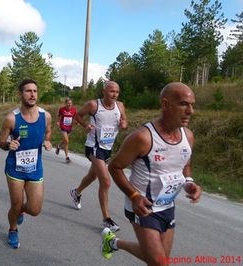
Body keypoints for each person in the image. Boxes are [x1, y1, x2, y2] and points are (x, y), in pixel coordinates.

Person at [102, 82, 202, 264]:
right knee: (160, 262)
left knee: (160, 259)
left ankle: (114, 243)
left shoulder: (188, 136)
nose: (190, 111)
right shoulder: (143, 137)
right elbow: (114, 167)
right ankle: (114, 243)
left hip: (167, 206)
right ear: (165, 104)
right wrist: (134, 196)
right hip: (143, 206)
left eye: (192, 105)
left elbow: (185, 164)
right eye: (183, 104)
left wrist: (189, 182)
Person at [0, 79, 52, 249]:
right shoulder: (11, 119)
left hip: (35, 168)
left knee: (34, 209)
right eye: (28, 91)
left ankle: (20, 211)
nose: (32, 94)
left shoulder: (46, 116)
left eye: (35, 91)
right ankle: (13, 229)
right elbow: (0, 141)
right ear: (20, 94)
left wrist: (48, 141)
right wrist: (8, 145)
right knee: (15, 204)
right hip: (15, 169)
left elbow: (48, 132)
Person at [70, 81, 127, 232]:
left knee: (92, 176)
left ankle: (76, 192)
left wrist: (123, 124)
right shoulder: (93, 105)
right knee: (106, 181)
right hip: (93, 147)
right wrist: (85, 125)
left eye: (117, 92)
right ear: (104, 91)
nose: (114, 94)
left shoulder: (120, 106)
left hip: (107, 147)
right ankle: (106, 220)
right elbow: (78, 115)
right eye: (111, 91)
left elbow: (124, 120)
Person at [55, 98, 77, 163]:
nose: (69, 104)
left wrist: (76, 122)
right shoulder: (61, 109)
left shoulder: (74, 110)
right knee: (67, 141)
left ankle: (58, 146)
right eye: (68, 103)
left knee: (65, 140)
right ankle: (67, 157)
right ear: (65, 103)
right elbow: (59, 116)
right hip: (63, 126)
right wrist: (58, 122)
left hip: (69, 127)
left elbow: (75, 117)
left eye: (70, 103)